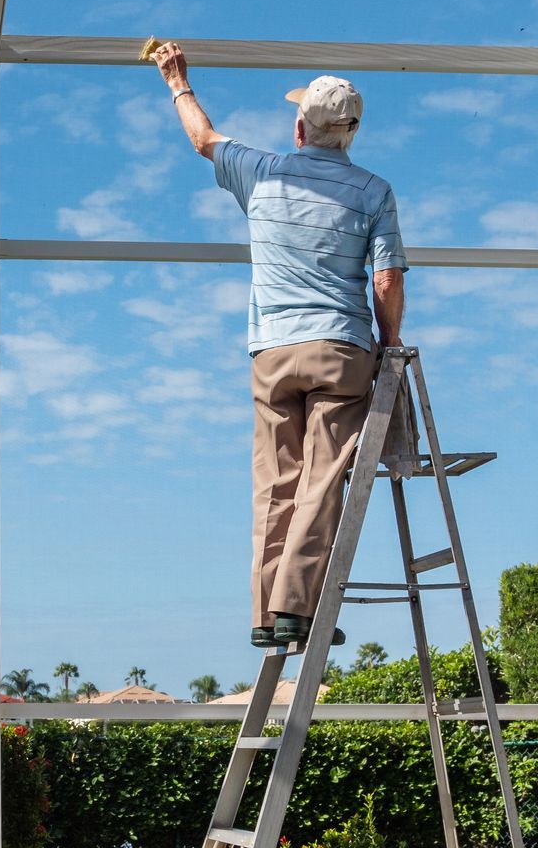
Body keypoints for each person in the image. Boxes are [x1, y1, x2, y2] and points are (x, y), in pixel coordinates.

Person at [149, 41, 407, 650]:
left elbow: (203, 139)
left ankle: (267, 616)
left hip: (271, 352)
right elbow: (388, 278)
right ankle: (297, 609)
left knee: (276, 482)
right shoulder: (374, 191)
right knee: (323, 481)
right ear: (351, 133)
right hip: (341, 348)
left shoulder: (262, 171)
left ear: (300, 127)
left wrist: (176, 81)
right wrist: (389, 341)